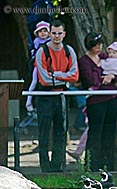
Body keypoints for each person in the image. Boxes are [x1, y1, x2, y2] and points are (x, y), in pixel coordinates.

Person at [35, 20, 79, 172]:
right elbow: (44, 79)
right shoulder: (42, 51)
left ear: (64, 34)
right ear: (49, 33)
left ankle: (57, 167)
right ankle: (45, 169)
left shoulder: (69, 51)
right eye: (53, 33)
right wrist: (64, 77)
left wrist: (58, 75)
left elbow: (75, 76)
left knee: (61, 132)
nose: (56, 36)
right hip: (45, 96)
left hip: (62, 95)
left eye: (59, 33)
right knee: (44, 132)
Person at [78, 32, 117, 172]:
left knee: (109, 133)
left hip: (111, 98)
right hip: (96, 101)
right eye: (95, 46)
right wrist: (99, 68)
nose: (99, 48)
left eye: (100, 45)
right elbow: (92, 81)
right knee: (95, 133)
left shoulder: (105, 57)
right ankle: (92, 166)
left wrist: (111, 75)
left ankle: (108, 166)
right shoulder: (84, 61)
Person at [26, 21, 51, 112]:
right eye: (40, 31)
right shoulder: (36, 42)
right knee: (34, 81)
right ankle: (28, 101)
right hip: (38, 64)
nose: (43, 33)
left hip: (49, 66)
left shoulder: (51, 41)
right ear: (37, 33)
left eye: (45, 31)